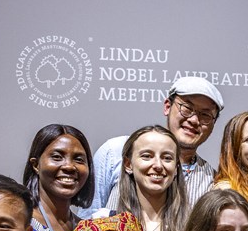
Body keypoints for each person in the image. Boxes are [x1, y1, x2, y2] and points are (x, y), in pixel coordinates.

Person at [85, 76, 224, 217]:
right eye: (187, 108)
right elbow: (87, 218)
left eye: (205, 115)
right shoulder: (115, 151)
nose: (194, 120)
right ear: (167, 107)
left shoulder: (212, 182)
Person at [107, 125, 188, 231]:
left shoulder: (191, 228)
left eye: (167, 158)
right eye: (147, 156)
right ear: (128, 164)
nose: (158, 165)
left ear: (176, 169)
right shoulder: (106, 222)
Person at [16, 123, 94, 231]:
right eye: (57, 157)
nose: (69, 166)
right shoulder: (18, 224)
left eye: (79, 159)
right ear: (36, 165)